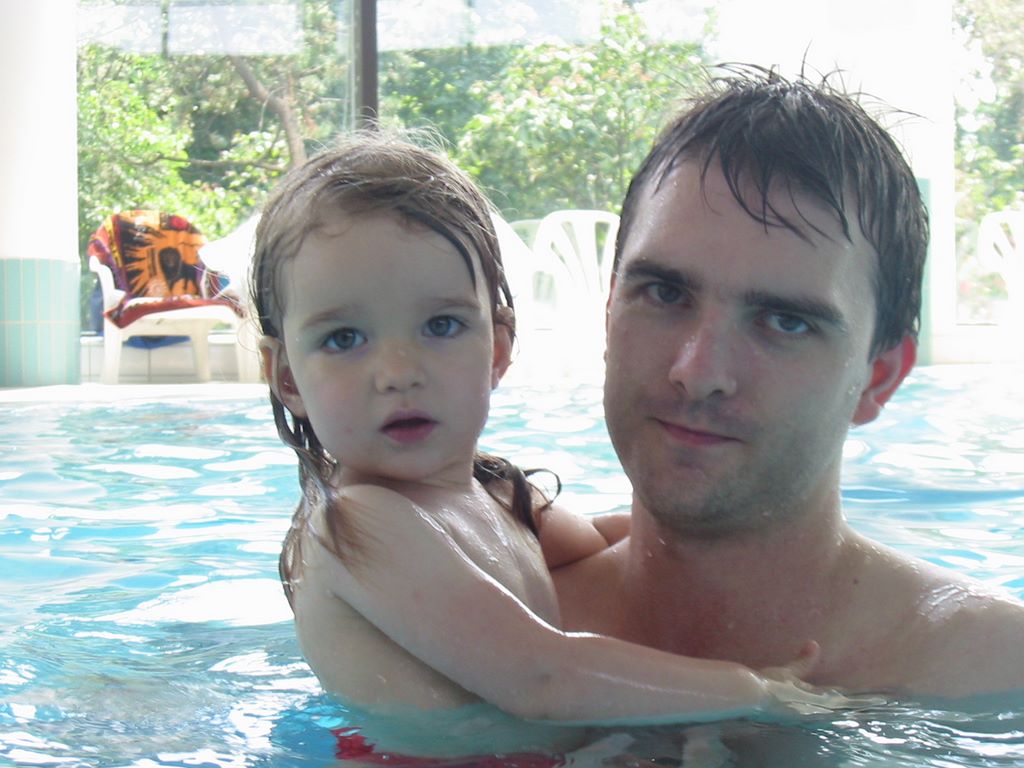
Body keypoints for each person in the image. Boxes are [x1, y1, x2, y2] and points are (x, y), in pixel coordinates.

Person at [250, 132, 850, 758]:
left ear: (498, 351)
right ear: (287, 377)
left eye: (441, 325)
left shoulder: (496, 494)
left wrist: (751, 541)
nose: (398, 372)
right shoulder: (357, 526)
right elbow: (540, 678)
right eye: (344, 338)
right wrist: (752, 689)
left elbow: (618, 543)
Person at [551, 66, 1024, 700]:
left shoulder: (992, 669)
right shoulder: (482, 633)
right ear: (610, 312)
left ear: (878, 377)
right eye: (664, 293)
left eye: (785, 321)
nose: (698, 372)